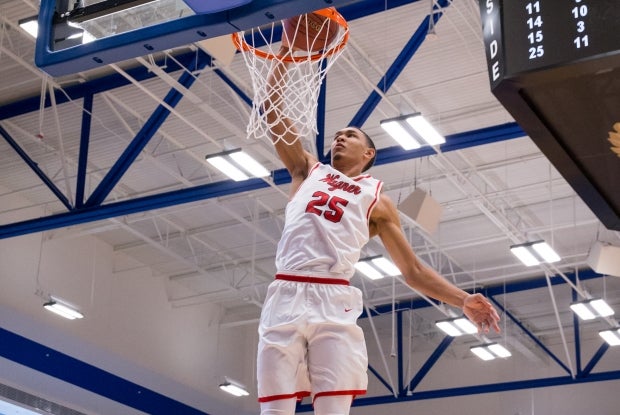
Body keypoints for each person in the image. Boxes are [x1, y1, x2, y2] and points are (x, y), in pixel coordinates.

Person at [255, 43, 501, 415]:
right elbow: (272, 111)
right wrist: (287, 59)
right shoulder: (307, 170)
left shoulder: (378, 200)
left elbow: (413, 271)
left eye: (350, 135)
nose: (339, 137)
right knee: (274, 410)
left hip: (332, 298)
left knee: (333, 409)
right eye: (337, 134)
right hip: (285, 291)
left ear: (368, 154)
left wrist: (462, 299)